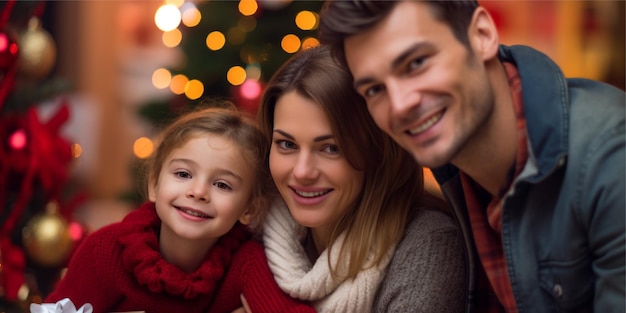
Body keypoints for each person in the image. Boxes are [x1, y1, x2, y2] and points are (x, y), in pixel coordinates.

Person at [318, 1, 626, 312]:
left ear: (482, 35)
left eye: (416, 63)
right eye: (374, 89)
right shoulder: (451, 160)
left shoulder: (610, 159)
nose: (399, 105)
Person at [236, 44, 465, 313]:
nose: (301, 172)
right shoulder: (249, 227)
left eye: (331, 148)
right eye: (287, 144)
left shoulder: (427, 245)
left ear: (378, 151)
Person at [45, 102, 311, 313]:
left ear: (249, 209)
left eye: (222, 185)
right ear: (154, 185)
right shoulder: (106, 251)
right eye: (183, 174)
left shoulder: (247, 263)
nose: (198, 192)